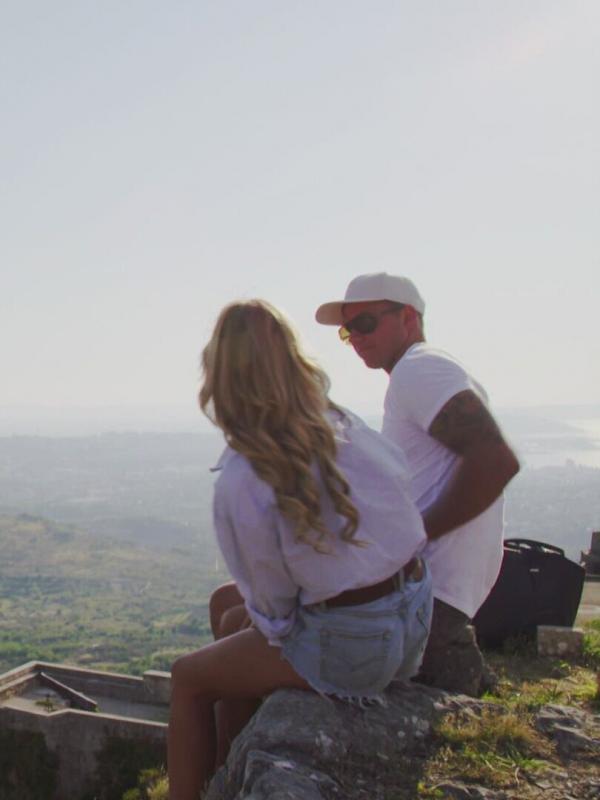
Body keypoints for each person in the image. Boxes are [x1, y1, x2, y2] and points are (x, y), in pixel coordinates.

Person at [168, 299, 433, 799]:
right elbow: (401, 499)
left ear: (220, 378)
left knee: (188, 679)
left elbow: (273, 612)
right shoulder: (340, 422)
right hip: (415, 612)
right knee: (226, 606)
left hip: (357, 644)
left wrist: (257, 628)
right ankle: (228, 769)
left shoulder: (245, 476)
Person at [315, 272, 520, 696]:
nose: (355, 338)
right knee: (241, 607)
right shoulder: (420, 372)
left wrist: (413, 537)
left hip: (425, 593)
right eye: (348, 330)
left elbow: (495, 461)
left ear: (408, 317)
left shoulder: (419, 369)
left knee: (248, 621)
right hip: (429, 589)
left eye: (365, 323)